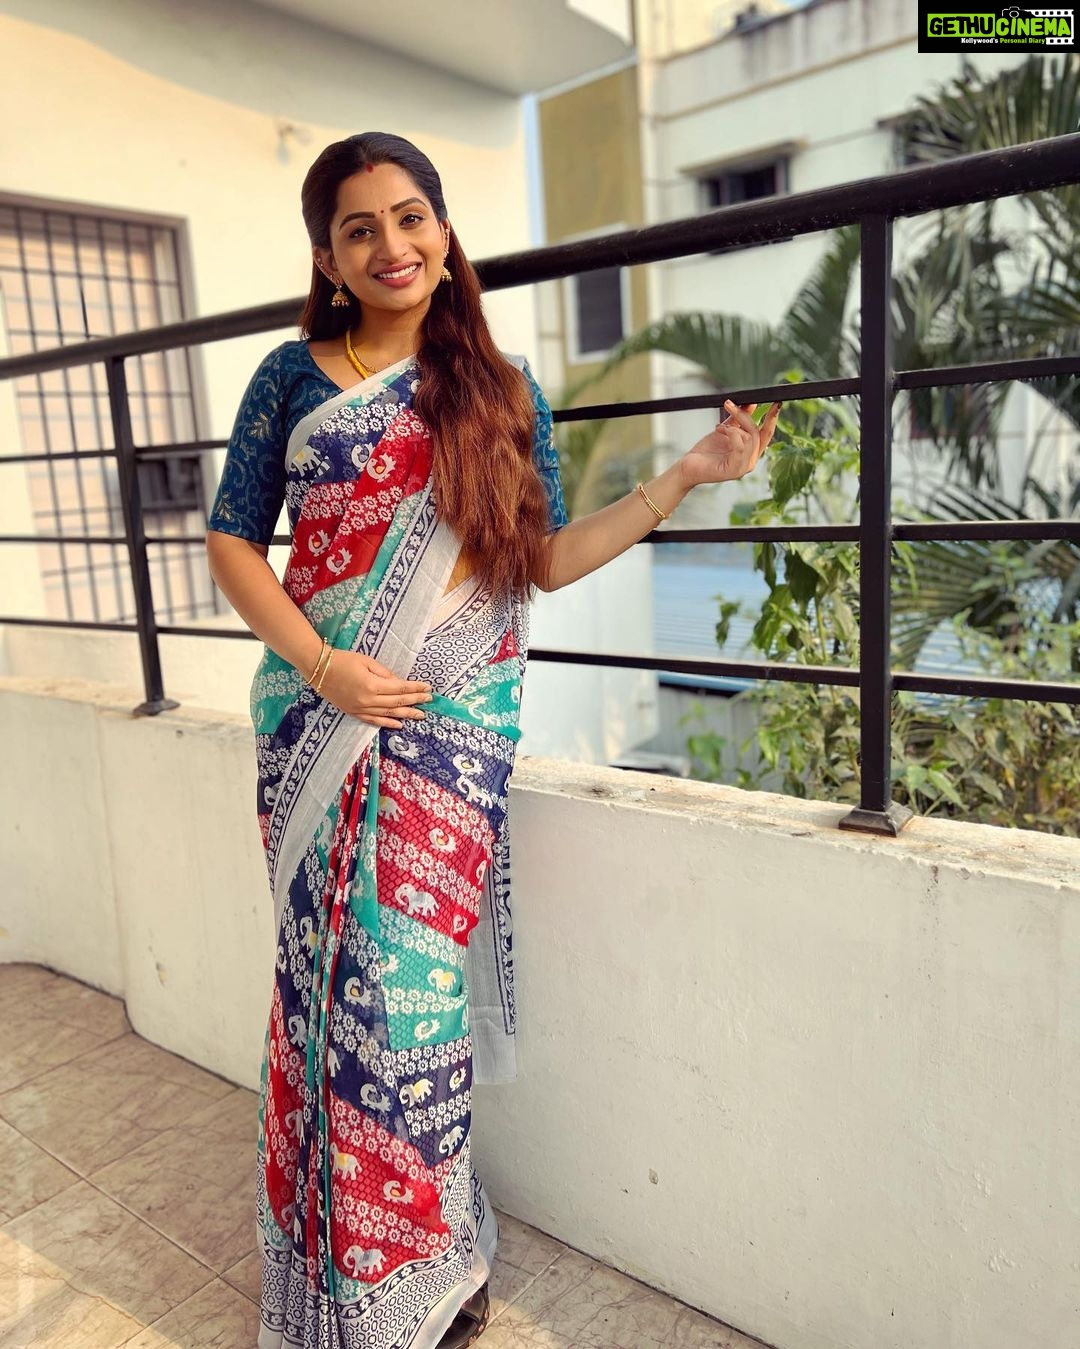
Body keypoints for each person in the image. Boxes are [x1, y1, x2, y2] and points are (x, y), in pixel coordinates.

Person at [205, 131, 781, 1349]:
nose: (391, 244)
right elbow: (232, 541)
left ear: (444, 229)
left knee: (409, 1006)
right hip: (315, 726)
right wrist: (326, 665)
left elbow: (544, 561)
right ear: (328, 258)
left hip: (451, 740)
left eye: (410, 216)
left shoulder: (502, 388)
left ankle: (428, 1260)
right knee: (324, 1001)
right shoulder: (289, 377)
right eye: (360, 228)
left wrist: (689, 472)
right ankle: (331, 1278)